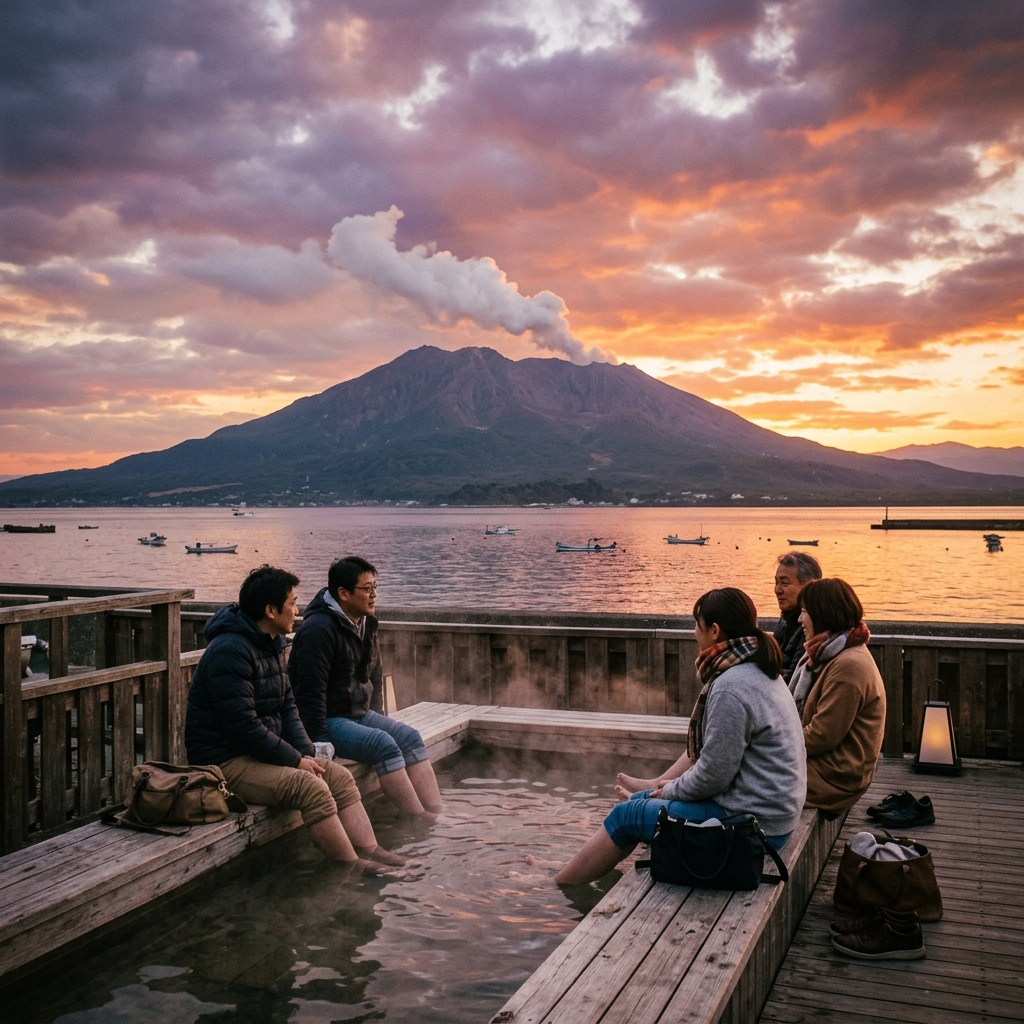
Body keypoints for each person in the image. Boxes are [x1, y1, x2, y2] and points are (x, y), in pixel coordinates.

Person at [553, 588, 806, 885]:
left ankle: (559, 885)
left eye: (697, 625)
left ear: (714, 631)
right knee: (638, 802)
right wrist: (662, 789)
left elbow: (714, 775)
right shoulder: (761, 669)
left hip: (753, 826)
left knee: (626, 816)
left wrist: (669, 789)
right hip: (772, 815)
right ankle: (576, 866)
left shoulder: (732, 686)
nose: (693, 632)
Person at [185, 564, 410, 873]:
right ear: (271, 610)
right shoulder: (230, 651)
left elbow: (288, 707)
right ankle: (352, 866)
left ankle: (372, 850)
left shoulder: (273, 644)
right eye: (291, 602)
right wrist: (295, 760)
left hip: (260, 752)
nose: (297, 609)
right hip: (225, 760)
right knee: (311, 787)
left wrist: (306, 752)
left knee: (338, 777)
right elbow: (243, 728)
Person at [290, 556, 443, 821]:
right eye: (367, 589)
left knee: (410, 737)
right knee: (384, 744)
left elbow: (374, 675)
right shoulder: (318, 629)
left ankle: (438, 811)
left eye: (375, 587)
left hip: (357, 714)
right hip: (329, 720)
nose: (374, 595)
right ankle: (420, 819)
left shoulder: (366, 622)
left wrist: (378, 716)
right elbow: (308, 693)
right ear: (343, 593)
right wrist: (319, 742)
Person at [789, 577, 886, 814]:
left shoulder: (848, 665)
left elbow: (822, 735)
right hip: (821, 764)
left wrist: (770, 746)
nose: (800, 619)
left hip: (835, 777)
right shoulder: (825, 654)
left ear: (823, 614)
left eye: (804, 611)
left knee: (745, 779)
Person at [773, 553, 823, 683]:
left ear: (808, 585)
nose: (777, 590)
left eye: (784, 583)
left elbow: (794, 677)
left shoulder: (814, 625)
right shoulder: (785, 619)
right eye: (776, 582)